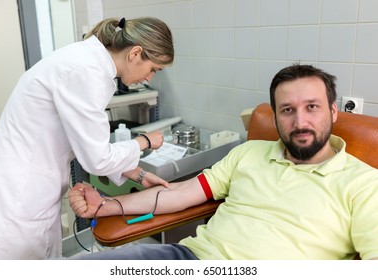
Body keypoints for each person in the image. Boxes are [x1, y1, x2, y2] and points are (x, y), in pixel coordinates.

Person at [69, 64, 378, 260]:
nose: (300, 121)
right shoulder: (249, 152)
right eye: (287, 110)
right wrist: (107, 206)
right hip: (189, 260)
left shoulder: (364, 184)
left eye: (312, 107)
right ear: (276, 116)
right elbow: (179, 193)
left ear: (334, 112)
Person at [0, 17, 174, 259]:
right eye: (153, 69)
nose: (149, 79)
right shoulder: (86, 71)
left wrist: (136, 173)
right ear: (136, 53)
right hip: (18, 194)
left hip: (29, 186)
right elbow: (97, 159)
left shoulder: (87, 63)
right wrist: (144, 141)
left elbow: (86, 143)